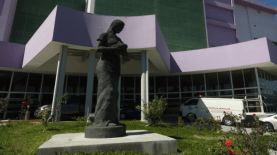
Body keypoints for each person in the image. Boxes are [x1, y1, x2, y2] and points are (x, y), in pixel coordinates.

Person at [92, 19, 128, 127]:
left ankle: (112, 120)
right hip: (105, 66)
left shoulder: (118, 39)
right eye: (120, 28)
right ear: (114, 26)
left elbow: (124, 53)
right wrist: (114, 48)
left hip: (115, 67)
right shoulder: (104, 35)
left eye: (122, 29)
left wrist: (123, 49)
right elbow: (98, 49)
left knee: (114, 94)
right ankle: (103, 121)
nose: (121, 30)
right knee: (108, 92)